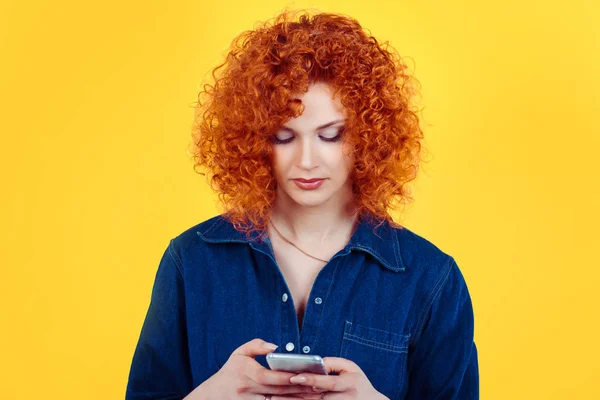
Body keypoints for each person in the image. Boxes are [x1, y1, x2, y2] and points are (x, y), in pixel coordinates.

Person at [125, 9, 479, 400]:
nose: (307, 160)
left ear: (368, 136)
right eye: (283, 137)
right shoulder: (191, 262)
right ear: (255, 138)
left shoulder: (431, 279)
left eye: (331, 135)